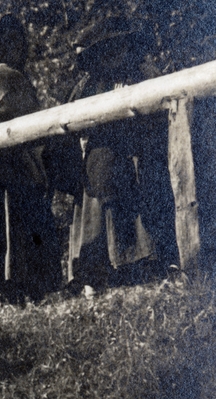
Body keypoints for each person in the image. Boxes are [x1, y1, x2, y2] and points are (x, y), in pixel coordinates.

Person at [64, 18, 175, 289]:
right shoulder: (89, 85)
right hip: (101, 162)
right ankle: (97, 271)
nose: (114, 56)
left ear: (128, 47)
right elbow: (68, 118)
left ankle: (147, 264)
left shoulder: (146, 74)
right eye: (107, 51)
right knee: (102, 172)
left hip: (140, 155)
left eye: (119, 48)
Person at [0, 13, 62, 301]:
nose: (15, 48)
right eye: (7, 42)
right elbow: (24, 121)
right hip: (4, 177)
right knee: (14, 256)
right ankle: (15, 300)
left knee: (16, 260)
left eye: (19, 41)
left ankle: (19, 300)